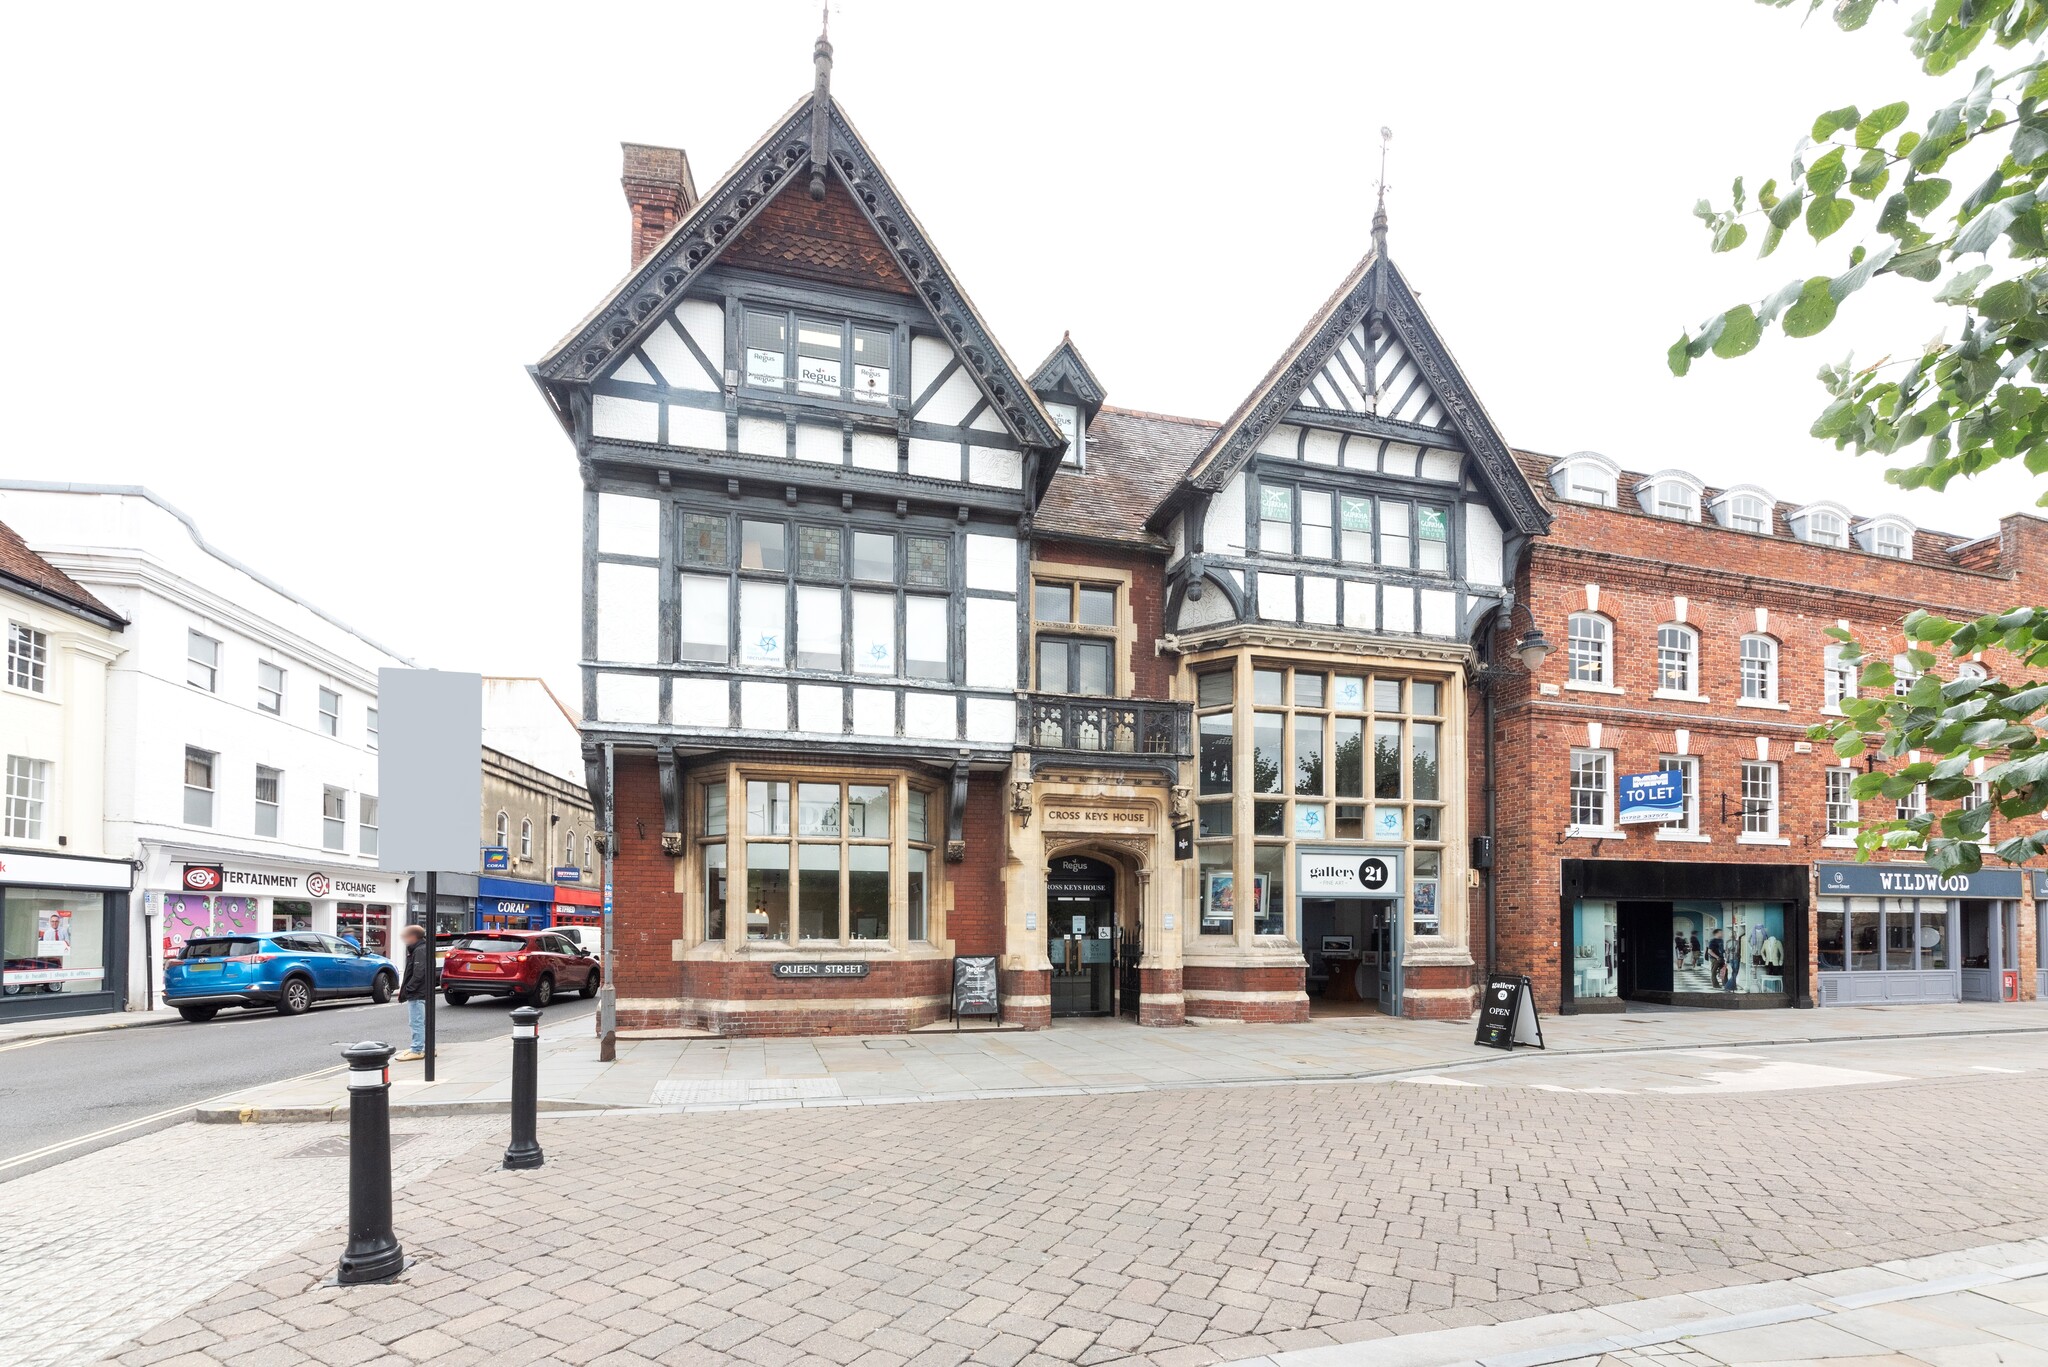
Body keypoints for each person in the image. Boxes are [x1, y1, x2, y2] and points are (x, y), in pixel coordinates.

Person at [394, 924, 430, 1061]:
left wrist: (408, 989)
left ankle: (417, 1049)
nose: (404, 940)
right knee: (422, 1021)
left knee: (416, 1022)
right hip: (421, 992)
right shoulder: (420, 948)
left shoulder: (420, 950)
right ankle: (427, 1047)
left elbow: (419, 972)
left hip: (418, 993)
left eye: (405, 937)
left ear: (413, 937)